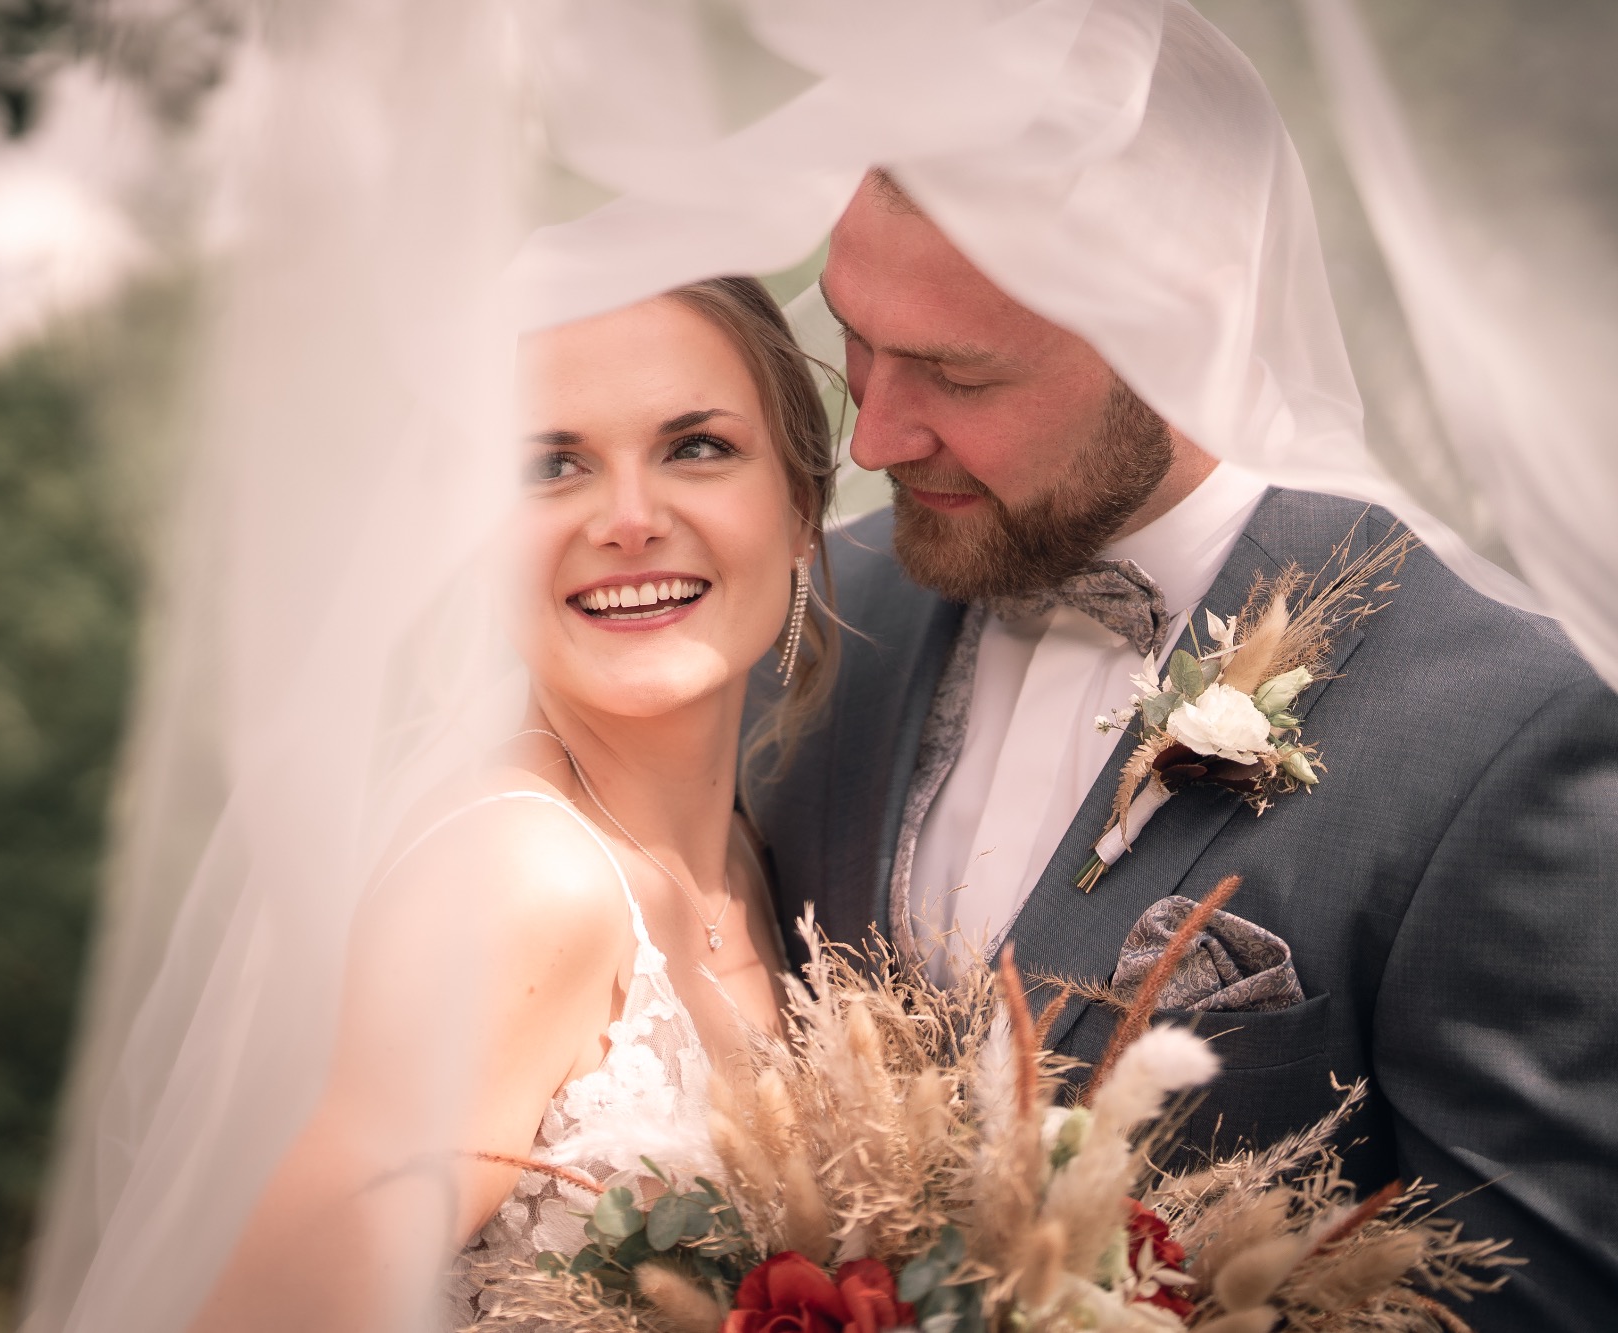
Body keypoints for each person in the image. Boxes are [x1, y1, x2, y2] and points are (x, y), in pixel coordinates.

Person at [743, 164, 1618, 1329]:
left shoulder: (1506, 723)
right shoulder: (794, 615)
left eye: (957, 374)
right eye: (856, 342)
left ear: (1186, 327)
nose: (872, 438)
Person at [183, 277, 833, 1331]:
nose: (629, 520)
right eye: (550, 466)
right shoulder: (519, 883)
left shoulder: (744, 867)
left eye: (696, 447)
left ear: (802, 508)